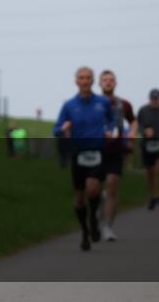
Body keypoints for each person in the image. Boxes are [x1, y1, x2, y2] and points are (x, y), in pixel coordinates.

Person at [53, 66, 116, 252]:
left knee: (93, 187)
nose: (85, 81)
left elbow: (112, 120)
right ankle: (85, 231)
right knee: (79, 197)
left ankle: (93, 220)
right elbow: (56, 128)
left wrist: (110, 130)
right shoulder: (69, 105)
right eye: (81, 78)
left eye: (88, 77)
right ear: (76, 81)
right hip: (78, 152)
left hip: (98, 150)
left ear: (93, 80)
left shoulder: (103, 102)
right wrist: (62, 129)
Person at [98, 69, 135, 241]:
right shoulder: (93, 102)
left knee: (112, 185)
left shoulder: (124, 104)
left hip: (116, 150)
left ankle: (107, 227)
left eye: (111, 80)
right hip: (95, 149)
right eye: (105, 80)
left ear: (115, 83)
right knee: (94, 188)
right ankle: (99, 202)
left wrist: (131, 134)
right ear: (99, 83)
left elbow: (133, 120)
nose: (108, 82)